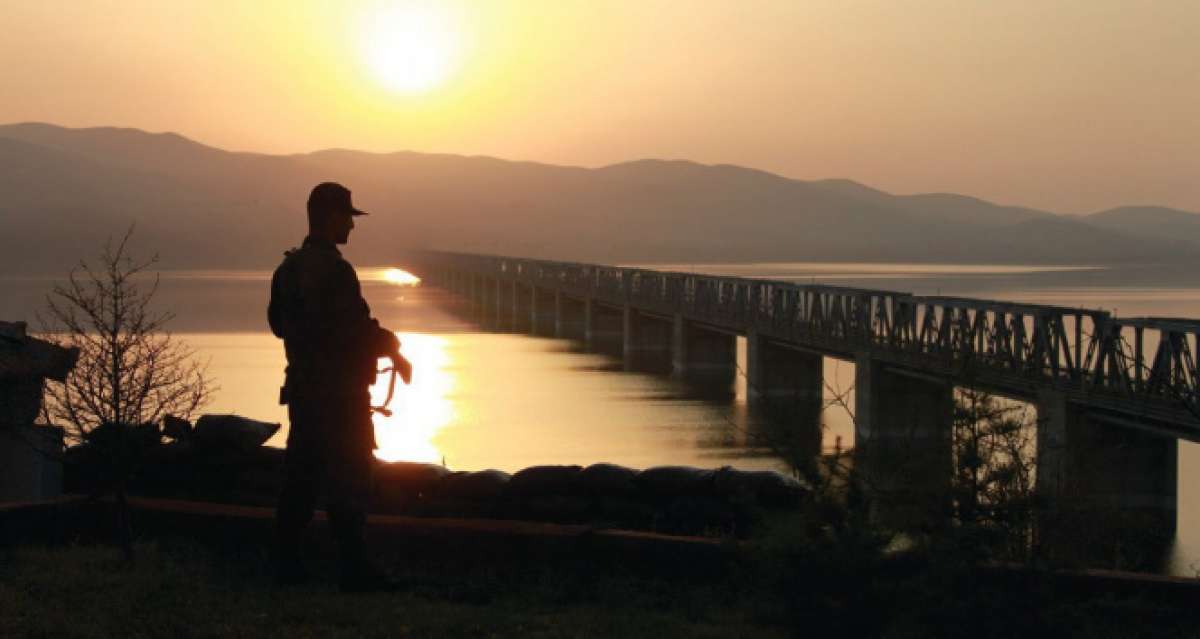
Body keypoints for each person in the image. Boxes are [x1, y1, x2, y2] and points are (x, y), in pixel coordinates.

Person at [267, 182, 412, 592]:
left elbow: (278, 325)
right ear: (331, 218)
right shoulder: (337, 270)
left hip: (305, 392)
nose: (352, 224)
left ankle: (287, 566)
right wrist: (393, 348)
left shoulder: (287, 270)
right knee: (349, 480)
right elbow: (357, 329)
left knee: (301, 479)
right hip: (342, 396)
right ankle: (353, 570)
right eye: (348, 216)